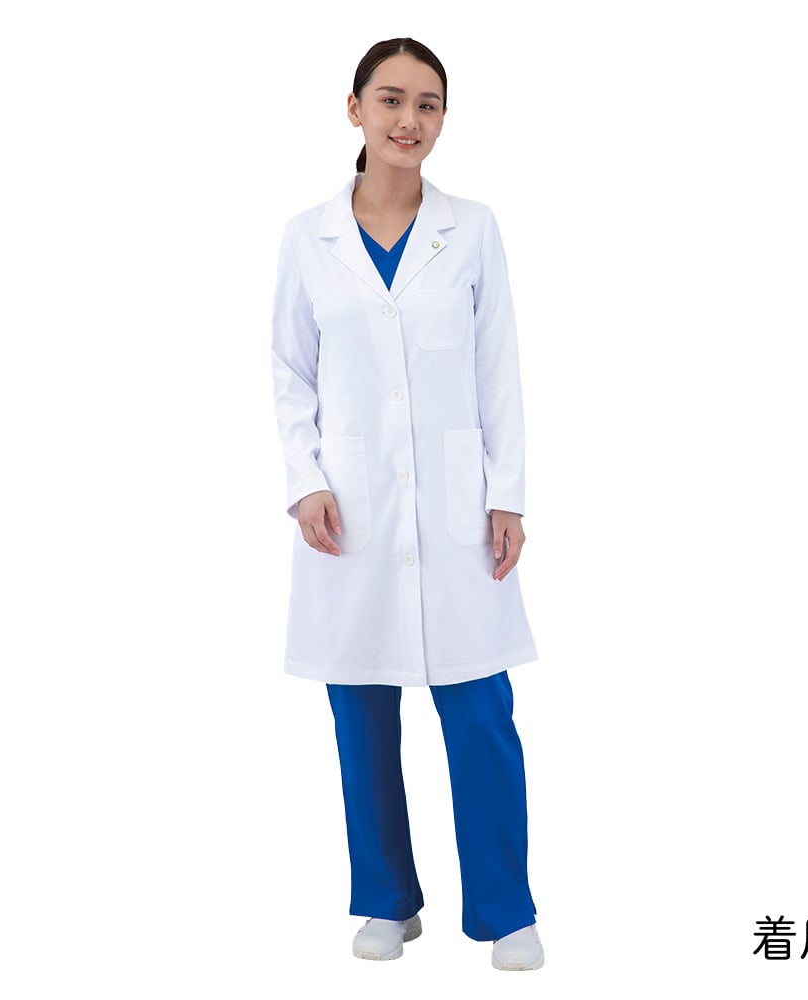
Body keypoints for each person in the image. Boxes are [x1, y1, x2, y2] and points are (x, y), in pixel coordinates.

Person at [270, 37, 544, 972]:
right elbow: (288, 370)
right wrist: (305, 479)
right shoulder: (307, 238)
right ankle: (386, 900)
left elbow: (499, 367)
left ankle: (506, 909)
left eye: (428, 104)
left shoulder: (473, 230)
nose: (408, 120)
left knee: (480, 711)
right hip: (349, 511)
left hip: (459, 510)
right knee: (361, 710)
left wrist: (506, 493)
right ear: (354, 110)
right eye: (390, 100)